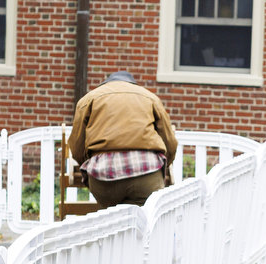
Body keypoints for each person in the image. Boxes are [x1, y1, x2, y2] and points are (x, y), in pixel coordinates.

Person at [66, 71, 180, 207]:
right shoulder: (150, 98)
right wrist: (164, 166)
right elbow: (169, 142)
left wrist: (88, 165)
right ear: (132, 83)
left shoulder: (89, 99)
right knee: (145, 221)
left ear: (106, 83)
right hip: (147, 171)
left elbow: (77, 145)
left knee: (112, 219)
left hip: (104, 175)